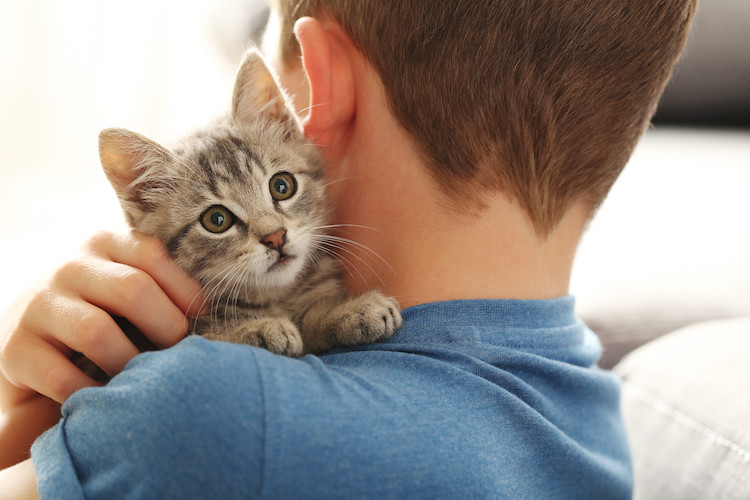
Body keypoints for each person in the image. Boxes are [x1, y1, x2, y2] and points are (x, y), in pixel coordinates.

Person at [0, 0, 696, 497]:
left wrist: (20, 407)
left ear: (318, 89)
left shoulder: (198, 415)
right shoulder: (600, 416)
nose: (272, 231)